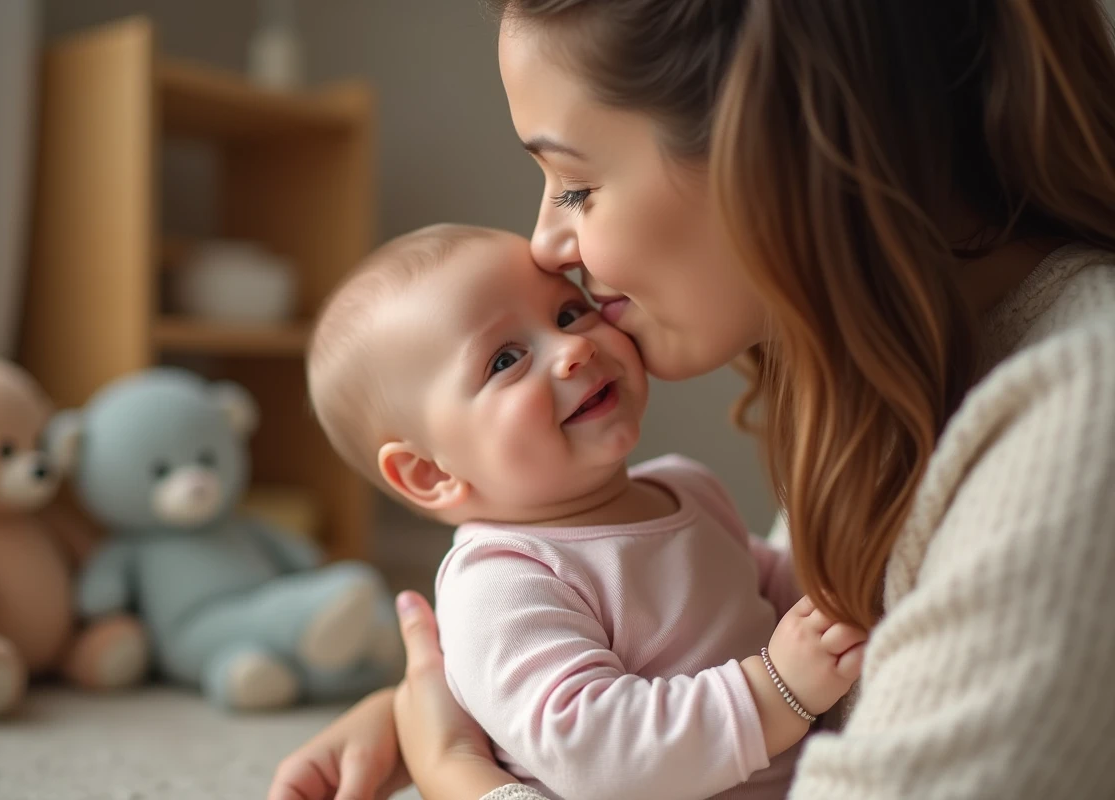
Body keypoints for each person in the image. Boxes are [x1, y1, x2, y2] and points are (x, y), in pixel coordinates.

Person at [270, 0, 1115, 798]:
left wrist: (456, 769)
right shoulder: (889, 380)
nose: (545, 244)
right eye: (499, 361)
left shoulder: (1076, 418)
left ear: (771, 152)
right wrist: (456, 704)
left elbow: (782, 610)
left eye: (574, 182)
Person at [302, 223, 866, 800]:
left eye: (569, 314)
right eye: (505, 360)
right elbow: (596, 751)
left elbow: (772, 590)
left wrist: (838, 594)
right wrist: (774, 691)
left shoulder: (686, 486)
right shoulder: (500, 579)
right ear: (432, 473)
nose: (574, 349)